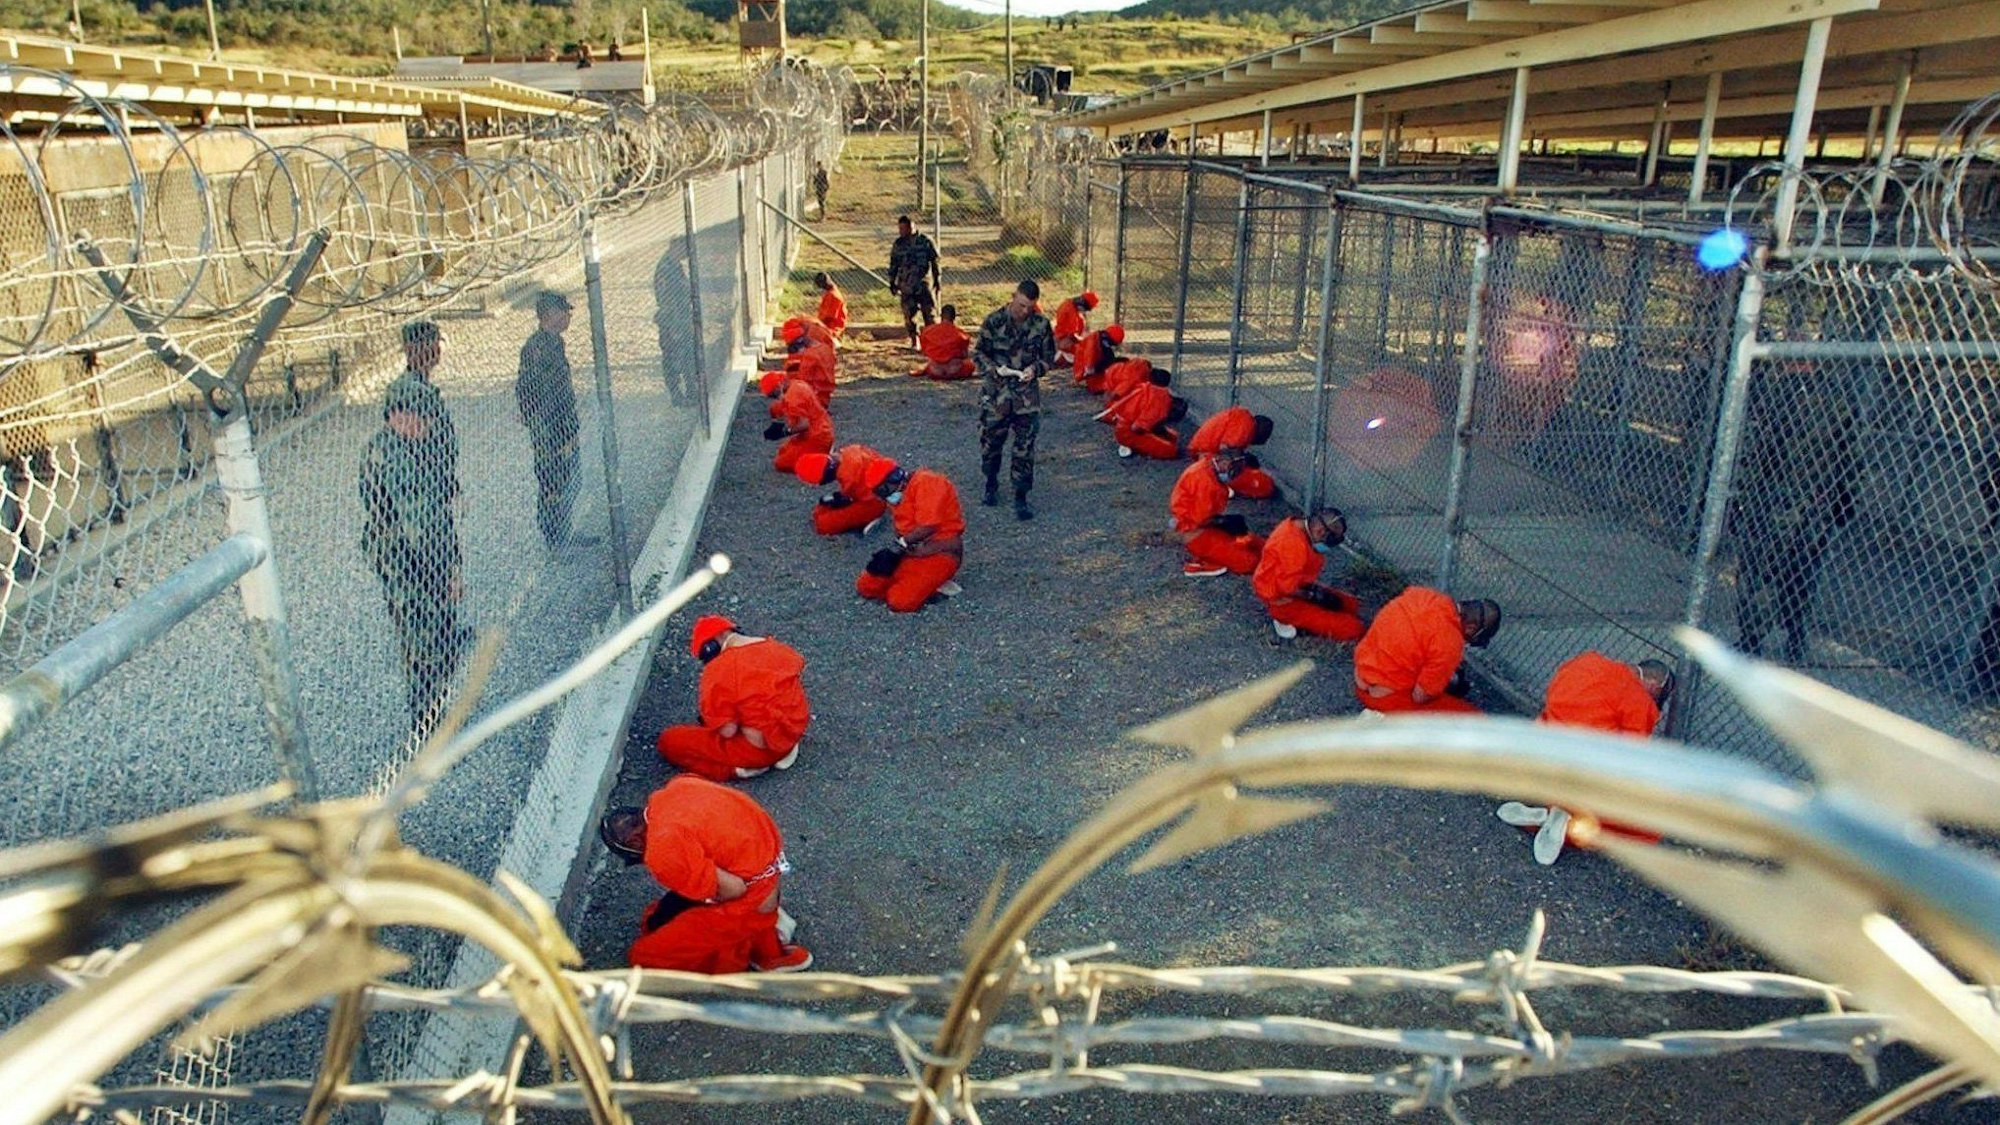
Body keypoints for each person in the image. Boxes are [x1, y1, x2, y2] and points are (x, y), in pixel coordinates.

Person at [360, 342, 469, 737]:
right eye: (420, 419)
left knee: (432, 635)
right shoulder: (396, 457)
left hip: (412, 557)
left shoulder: (401, 445)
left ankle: (434, 708)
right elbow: (421, 526)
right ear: (399, 415)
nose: (427, 427)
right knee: (423, 640)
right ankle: (428, 719)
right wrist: (448, 573)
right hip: (409, 562)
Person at [600, 775, 813, 973]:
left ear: (635, 843)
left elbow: (734, 890)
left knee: (643, 955)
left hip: (751, 897)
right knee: (657, 917)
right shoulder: (678, 787)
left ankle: (752, 945)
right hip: (769, 869)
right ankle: (763, 927)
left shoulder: (661, 849)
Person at [1730, 363, 1861, 665]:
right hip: (1816, 505)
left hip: (1773, 502)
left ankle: (1753, 637)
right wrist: (1844, 502)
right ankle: (1795, 635)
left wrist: (1741, 500)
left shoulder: (1780, 397)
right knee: (1802, 572)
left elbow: (1758, 454)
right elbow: (1850, 458)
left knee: (1760, 571)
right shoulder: (1838, 401)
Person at [1497, 654, 1674, 863]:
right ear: (1655, 685)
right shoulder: (1640, 701)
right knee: (1648, 831)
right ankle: (1563, 820)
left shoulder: (1586, 661)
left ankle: (1550, 811)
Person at [657, 615, 810, 780]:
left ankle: (739, 769)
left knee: (670, 741)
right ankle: (784, 749)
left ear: (711, 646)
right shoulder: (777, 648)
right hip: (792, 732)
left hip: (759, 750)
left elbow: (728, 731)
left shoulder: (719, 669)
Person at [974, 280, 1057, 521]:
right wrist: (993, 369)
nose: (1024, 311)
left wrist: (1036, 369)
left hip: (1026, 398)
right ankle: (991, 482)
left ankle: (1021, 495)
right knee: (991, 444)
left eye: (1029, 307)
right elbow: (978, 353)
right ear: (1013, 297)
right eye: (1021, 305)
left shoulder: (1040, 325)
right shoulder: (994, 321)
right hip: (996, 396)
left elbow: (1049, 357)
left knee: (1024, 448)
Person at [515, 291, 591, 550]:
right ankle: (555, 539)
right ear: (551, 314)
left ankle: (564, 532)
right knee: (553, 484)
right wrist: (547, 432)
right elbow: (530, 393)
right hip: (550, 431)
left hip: (562, 427)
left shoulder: (554, 343)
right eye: (565, 311)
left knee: (570, 480)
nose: (569, 316)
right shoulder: (536, 348)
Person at [1352, 588, 1502, 714]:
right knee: (1474, 718)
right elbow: (1420, 697)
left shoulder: (1423, 594)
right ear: (1471, 628)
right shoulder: (1451, 641)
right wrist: (1441, 685)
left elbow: (1416, 640)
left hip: (1361, 676)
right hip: (1383, 698)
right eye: (1472, 639)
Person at [856, 458, 964, 613]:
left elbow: (928, 526)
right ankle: (926, 585)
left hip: (940, 551)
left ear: (893, 479)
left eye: (882, 490)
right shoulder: (899, 492)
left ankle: (932, 585)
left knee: (900, 602)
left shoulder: (928, 483)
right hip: (912, 551)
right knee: (866, 586)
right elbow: (905, 531)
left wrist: (900, 544)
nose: (883, 496)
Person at [1252, 509, 1362, 641]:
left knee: (1350, 604)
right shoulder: (1294, 547)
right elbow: (1286, 588)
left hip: (1296, 584)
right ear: (1320, 531)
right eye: (1329, 540)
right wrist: (1313, 597)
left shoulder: (1296, 526)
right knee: (1354, 628)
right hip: (1282, 599)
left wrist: (1316, 592)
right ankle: (1284, 619)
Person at [1170, 451, 1266, 577]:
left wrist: (1223, 522)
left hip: (1203, 525)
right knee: (1250, 562)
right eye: (1233, 467)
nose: (1235, 473)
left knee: (1257, 544)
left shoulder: (1209, 469)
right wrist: (1223, 522)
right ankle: (1202, 564)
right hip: (1196, 533)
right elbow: (1200, 520)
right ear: (1222, 460)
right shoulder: (1205, 482)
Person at [1187, 407, 1279, 500]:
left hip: (1204, 453)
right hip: (1207, 458)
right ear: (1260, 431)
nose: (1264, 441)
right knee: (1265, 484)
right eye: (1265, 436)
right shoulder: (1247, 426)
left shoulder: (1243, 418)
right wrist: (1243, 462)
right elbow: (1226, 454)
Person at [795, 446, 887, 536]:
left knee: (823, 524)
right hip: (876, 490)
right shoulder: (848, 451)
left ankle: (870, 518)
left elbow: (857, 497)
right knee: (821, 509)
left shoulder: (848, 475)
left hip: (874, 503)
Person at [1100, 367, 1185, 460]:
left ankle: (1136, 445)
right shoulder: (1160, 401)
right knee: (1171, 451)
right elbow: (1137, 428)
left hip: (1122, 422)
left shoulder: (1147, 387)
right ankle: (1132, 445)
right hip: (1128, 431)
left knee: (1172, 436)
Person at [761, 371, 833, 475]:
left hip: (816, 436)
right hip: (821, 430)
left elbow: (804, 424)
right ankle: (819, 454)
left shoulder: (792, 398)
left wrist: (784, 432)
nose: (774, 398)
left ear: (779, 386)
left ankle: (822, 460)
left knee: (781, 463)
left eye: (773, 394)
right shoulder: (796, 384)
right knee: (783, 450)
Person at [887, 215, 942, 348]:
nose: (901, 231)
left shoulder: (925, 241)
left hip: (924, 284)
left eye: (904, 228)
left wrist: (937, 280)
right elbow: (894, 264)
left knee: (929, 314)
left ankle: (931, 342)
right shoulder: (899, 244)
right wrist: (892, 282)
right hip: (906, 285)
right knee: (909, 315)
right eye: (900, 228)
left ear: (912, 226)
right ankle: (914, 340)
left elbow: (935, 261)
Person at [779, 322, 836, 405]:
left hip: (813, 395)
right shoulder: (825, 348)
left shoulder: (810, 355)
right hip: (825, 392)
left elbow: (802, 377)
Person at [913, 304, 974, 380]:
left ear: (941, 316)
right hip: (954, 370)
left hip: (935, 370)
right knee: (970, 365)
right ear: (954, 317)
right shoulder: (961, 335)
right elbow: (964, 355)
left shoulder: (927, 332)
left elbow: (925, 351)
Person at [1051, 290, 1098, 367]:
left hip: (1065, 340)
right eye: (1087, 309)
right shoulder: (1070, 311)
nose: (1085, 311)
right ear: (1083, 304)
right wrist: (1085, 341)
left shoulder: (1070, 304)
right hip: (1063, 341)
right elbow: (1072, 336)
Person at [1072, 324, 1123, 391]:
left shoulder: (1098, 338)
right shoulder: (1094, 342)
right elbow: (1090, 367)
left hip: (1087, 371)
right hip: (1087, 374)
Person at [813, 272, 848, 339]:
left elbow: (829, 317)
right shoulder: (831, 293)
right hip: (829, 326)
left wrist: (816, 324)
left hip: (833, 328)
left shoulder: (833, 296)